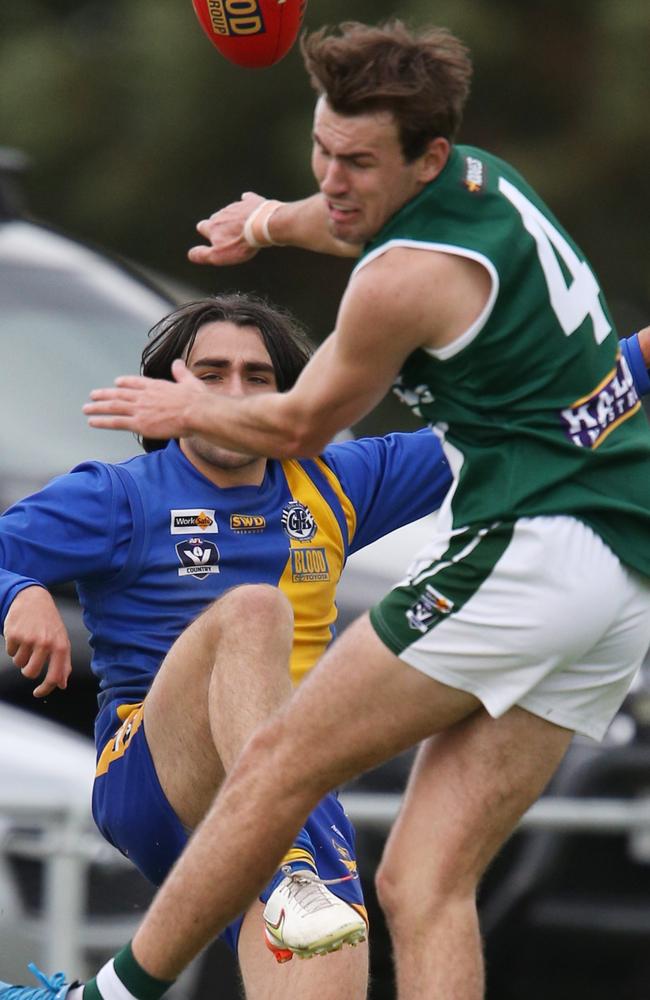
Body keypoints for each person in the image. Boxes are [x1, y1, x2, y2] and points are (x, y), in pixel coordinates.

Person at [6, 17, 650, 1000]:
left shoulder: (393, 301)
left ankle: (113, 989)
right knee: (422, 875)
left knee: (285, 771)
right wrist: (270, 220)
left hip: (525, 559)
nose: (333, 178)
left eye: (356, 160)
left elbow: (302, 424)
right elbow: (352, 218)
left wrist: (189, 402)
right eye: (322, 151)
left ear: (424, 156)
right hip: (614, 580)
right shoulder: (478, 183)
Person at [0, 292, 456, 1000]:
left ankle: (102, 994)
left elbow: (523, 423)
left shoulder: (336, 483)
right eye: (210, 375)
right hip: (156, 774)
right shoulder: (118, 495)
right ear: (166, 392)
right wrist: (19, 591)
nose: (233, 393)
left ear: (293, 401)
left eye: (257, 378)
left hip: (298, 798)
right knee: (251, 612)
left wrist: (635, 364)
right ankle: (289, 868)